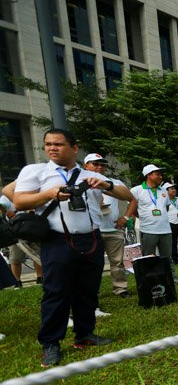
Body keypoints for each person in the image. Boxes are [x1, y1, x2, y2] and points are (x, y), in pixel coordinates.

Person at [14, 128, 132, 366]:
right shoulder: (36, 171)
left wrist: (105, 185)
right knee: (56, 291)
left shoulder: (87, 174)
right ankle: (51, 343)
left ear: (74, 148)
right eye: (48, 144)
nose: (52, 148)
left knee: (87, 289)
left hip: (92, 237)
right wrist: (49, 194)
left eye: (58, 144)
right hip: (57, 239)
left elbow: (126, 194)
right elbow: (19, 200)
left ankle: (84, 333)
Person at [84, 153, 134, 298]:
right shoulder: (81, 182)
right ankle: (92, 290)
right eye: (95, 164)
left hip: (113, 229)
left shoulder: (113, 183)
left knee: (117, 262)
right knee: (92, 264)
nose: (99, 167)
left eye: (102, 164)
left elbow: (131, 199)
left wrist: (125, 217)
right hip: (92, 230)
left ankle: (120, 288)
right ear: (86, 166)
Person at [130, 164, 177, 282]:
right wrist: (146, 217)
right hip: (148, 230)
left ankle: (171, 279)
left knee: (167, 257)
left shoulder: (164, 192)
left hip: (165, 229)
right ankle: (151, 280)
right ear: (148, 175)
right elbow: (133, 209)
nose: (160, 176)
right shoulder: (136, 190)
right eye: (157, 174)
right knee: (149, 257)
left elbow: (165, 209)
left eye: (161, 174)